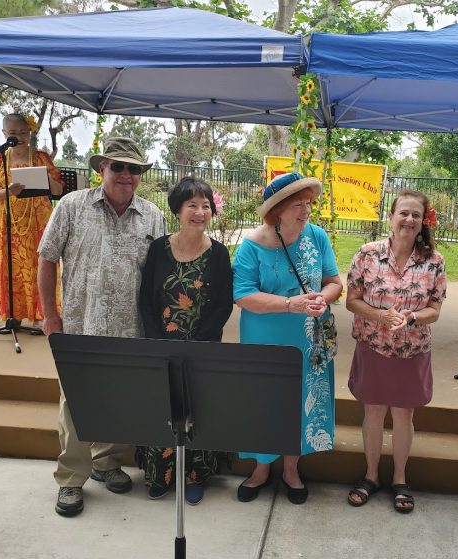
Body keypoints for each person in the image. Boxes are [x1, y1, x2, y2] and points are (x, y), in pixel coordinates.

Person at [38, 137, 166, 517]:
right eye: (118, 167)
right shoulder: (72, 207)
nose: (126, 175)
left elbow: (158, 274)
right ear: (102, 169)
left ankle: (105, 462)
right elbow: (46, 260)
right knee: (76, 405)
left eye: (134, 169)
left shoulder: (153, 215)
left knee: (116, 399)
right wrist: (50, 316)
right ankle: (71, 480)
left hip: (131, 330)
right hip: (80, 325)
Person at [232, 171, 342, 505]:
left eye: (308, 202)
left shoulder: (317, 236)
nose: (306, 210)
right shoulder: (251, 245)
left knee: (300, 399)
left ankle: (292, 469)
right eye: (297, 204)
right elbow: (242, 294)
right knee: (263, 401)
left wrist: (325, 296)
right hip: (263, 336)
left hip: (306, 337)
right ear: (277, 209)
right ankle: (262, 468)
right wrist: (290, 304)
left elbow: (334, 281)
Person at [345, 190, 447, 514]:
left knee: (404, 414)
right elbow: (351, 300)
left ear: (423, 222)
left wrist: (412, 317)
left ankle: (400, 479)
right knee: (373, 412)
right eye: (403, 213)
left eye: (416, 215)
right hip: (373, 345)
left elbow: (435, 309)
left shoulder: (435, 262)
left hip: (411, 349)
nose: (409, 219)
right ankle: (371, 475)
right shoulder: (367, 255)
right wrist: (380, 315)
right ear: (391, 217)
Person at [137, 177, 233, 504]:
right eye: (192, 205)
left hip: (201, 350)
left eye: (206, 205)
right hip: (160, 346)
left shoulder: (219, 254)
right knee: (161, 407)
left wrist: (198, 343)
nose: (200, 212)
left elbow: (222, 304)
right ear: (178, 209)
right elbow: (146, 300)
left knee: (198, 409)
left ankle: (195, 475)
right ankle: (159, 474)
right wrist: (157, 339)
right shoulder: (159, 249)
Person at [0, 113, 63, 332]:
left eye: (24, 132)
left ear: (30, 133)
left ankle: (41, 315)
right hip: (9, 223)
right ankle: (13, 316)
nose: (19, 137)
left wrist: (46, 178)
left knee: (39, 266)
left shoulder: (41, 157)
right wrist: (6, 192)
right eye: (13, 133)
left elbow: (59, 190)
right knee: (10, 267)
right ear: (4, 134)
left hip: (37, 222)